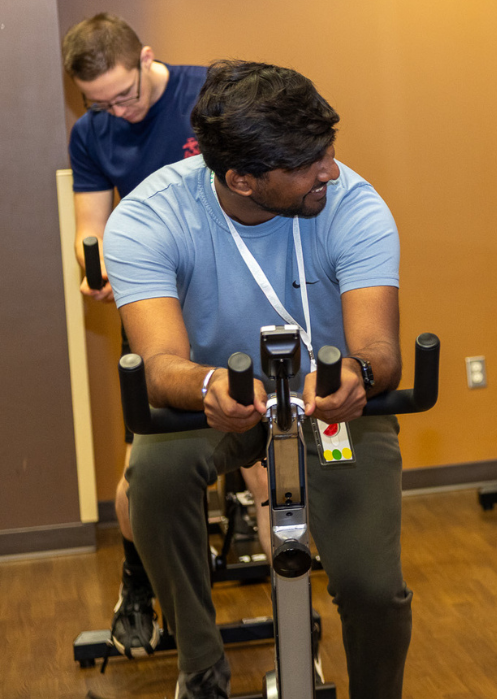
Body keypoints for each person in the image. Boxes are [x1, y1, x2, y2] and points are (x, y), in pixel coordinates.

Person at [103, 61, 410, 699]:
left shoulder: (353, 204)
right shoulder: (148, 218)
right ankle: (200, 664)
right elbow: (160, 368)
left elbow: (380, 350)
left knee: (374, 587)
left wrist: (358, 374)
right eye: (308, 163)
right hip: (214, 401)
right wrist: (209, 385)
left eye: (329, 149)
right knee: (153, 478)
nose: (330, 169)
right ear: (240, 179)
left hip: (330, 407)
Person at [62, 13, 270, 658]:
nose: (117, 111)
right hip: (155, 305)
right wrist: (93, 265)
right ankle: (138, 580)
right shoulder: (90, 133)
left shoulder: (207, 96)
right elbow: (91, 222)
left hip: (228, 295)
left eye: (125, 94)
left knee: (267, 463)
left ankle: (294, 594)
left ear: (147, 58)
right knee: (141, 477)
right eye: (100, 103)